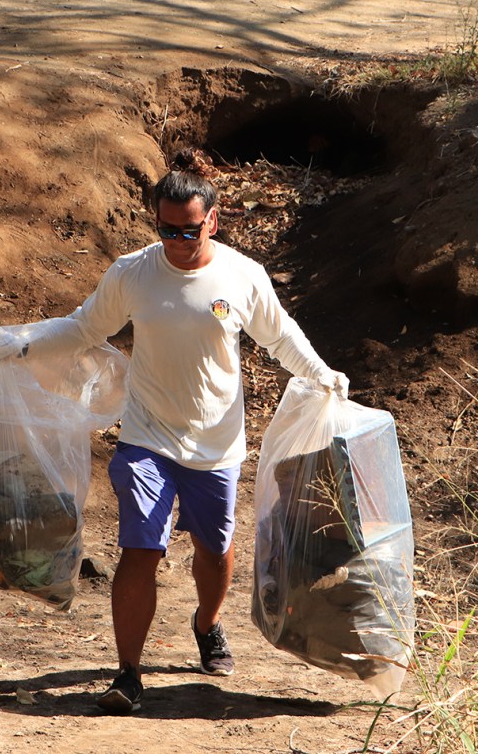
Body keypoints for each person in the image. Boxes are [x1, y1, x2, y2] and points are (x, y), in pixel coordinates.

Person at [24, 149, 348, 714]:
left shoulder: (242, 276)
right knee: (139, 550)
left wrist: (321, 375)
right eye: (166, 229)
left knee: (215, 550)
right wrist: (20, 347)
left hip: (217, 443)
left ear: (212, 221)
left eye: (189, 230)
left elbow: (281, 336)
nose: (177, 241)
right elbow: (83, 327)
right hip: (147, 436)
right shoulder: (132, 273)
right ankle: (128, 674)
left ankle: (207, 623)